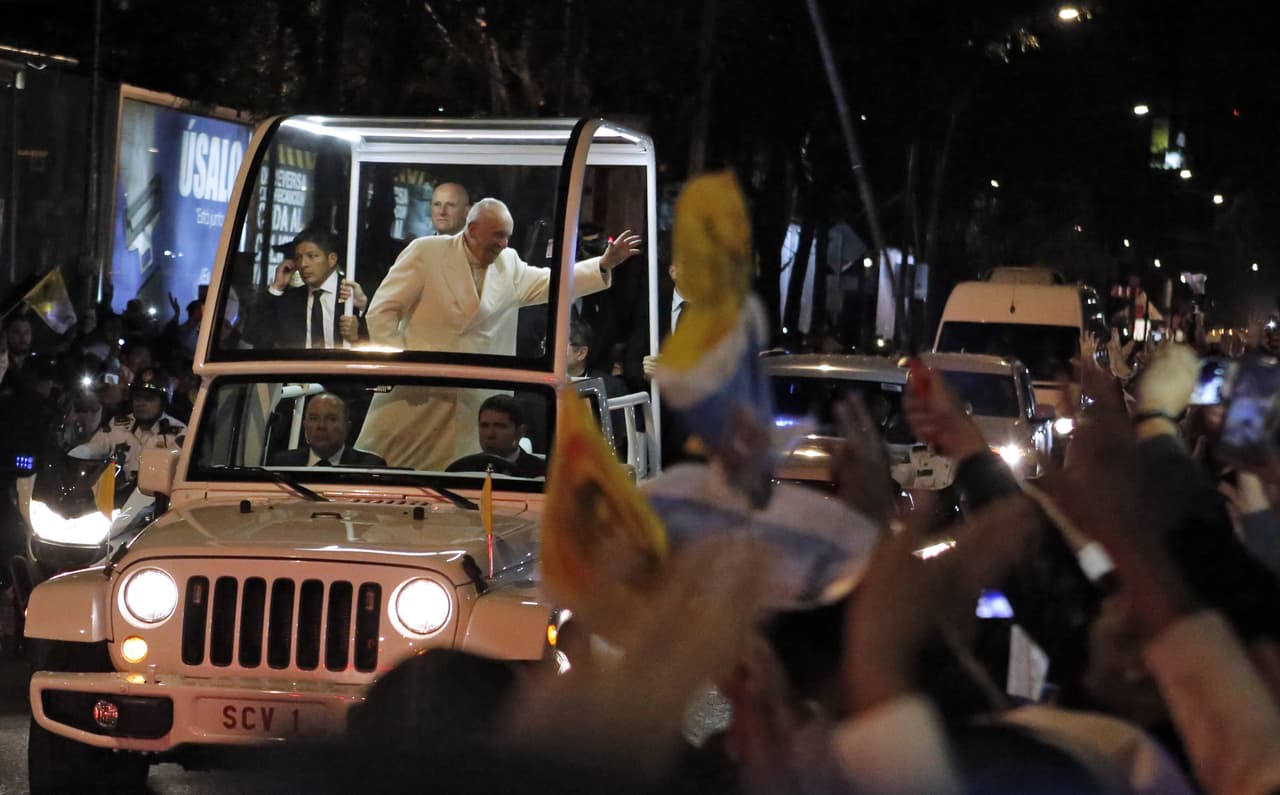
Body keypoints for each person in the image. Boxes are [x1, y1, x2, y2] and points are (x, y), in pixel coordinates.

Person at [357, 198, 641, 469]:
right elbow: (381, 311)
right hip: (417, 392)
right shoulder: (426, 252)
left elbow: (551, 283)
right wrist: (400, 367)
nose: (504, 243)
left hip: (476, 400)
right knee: (397, 475)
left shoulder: (509, 263)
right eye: (498, 235)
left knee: (469, 479)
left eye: (508, 236)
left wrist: (602, 265)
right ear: (471, 230)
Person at [70, 368, 186, 485]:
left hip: (156, 498)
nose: (141, 403)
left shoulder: (179, 433)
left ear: (163, 403)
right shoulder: (117, 424)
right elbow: (97, 446)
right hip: (116, 494)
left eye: (149, 399)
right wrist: (76, 454)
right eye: (138, 397)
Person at [261, 228, 367, 349]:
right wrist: (276, 287)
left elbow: (381, 342)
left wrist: (357, 336)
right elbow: (255, 336)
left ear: (332, 259)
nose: (303, 264)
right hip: (301, 367)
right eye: (298, 258)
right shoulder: (292, 300)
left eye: (312, 256)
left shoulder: (352, 295)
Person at [267, 392, 386, 467]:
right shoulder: (282, 463)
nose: (321, 426)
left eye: (331, 419)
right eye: (314, 418)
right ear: (305, 425)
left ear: (347, 426)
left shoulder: (370, 466)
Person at [447, 395, 546, 478]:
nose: (490, 434)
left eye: (500, 426)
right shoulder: (462, 470)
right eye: (484, 426)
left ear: (520, 432)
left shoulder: (542, 473)